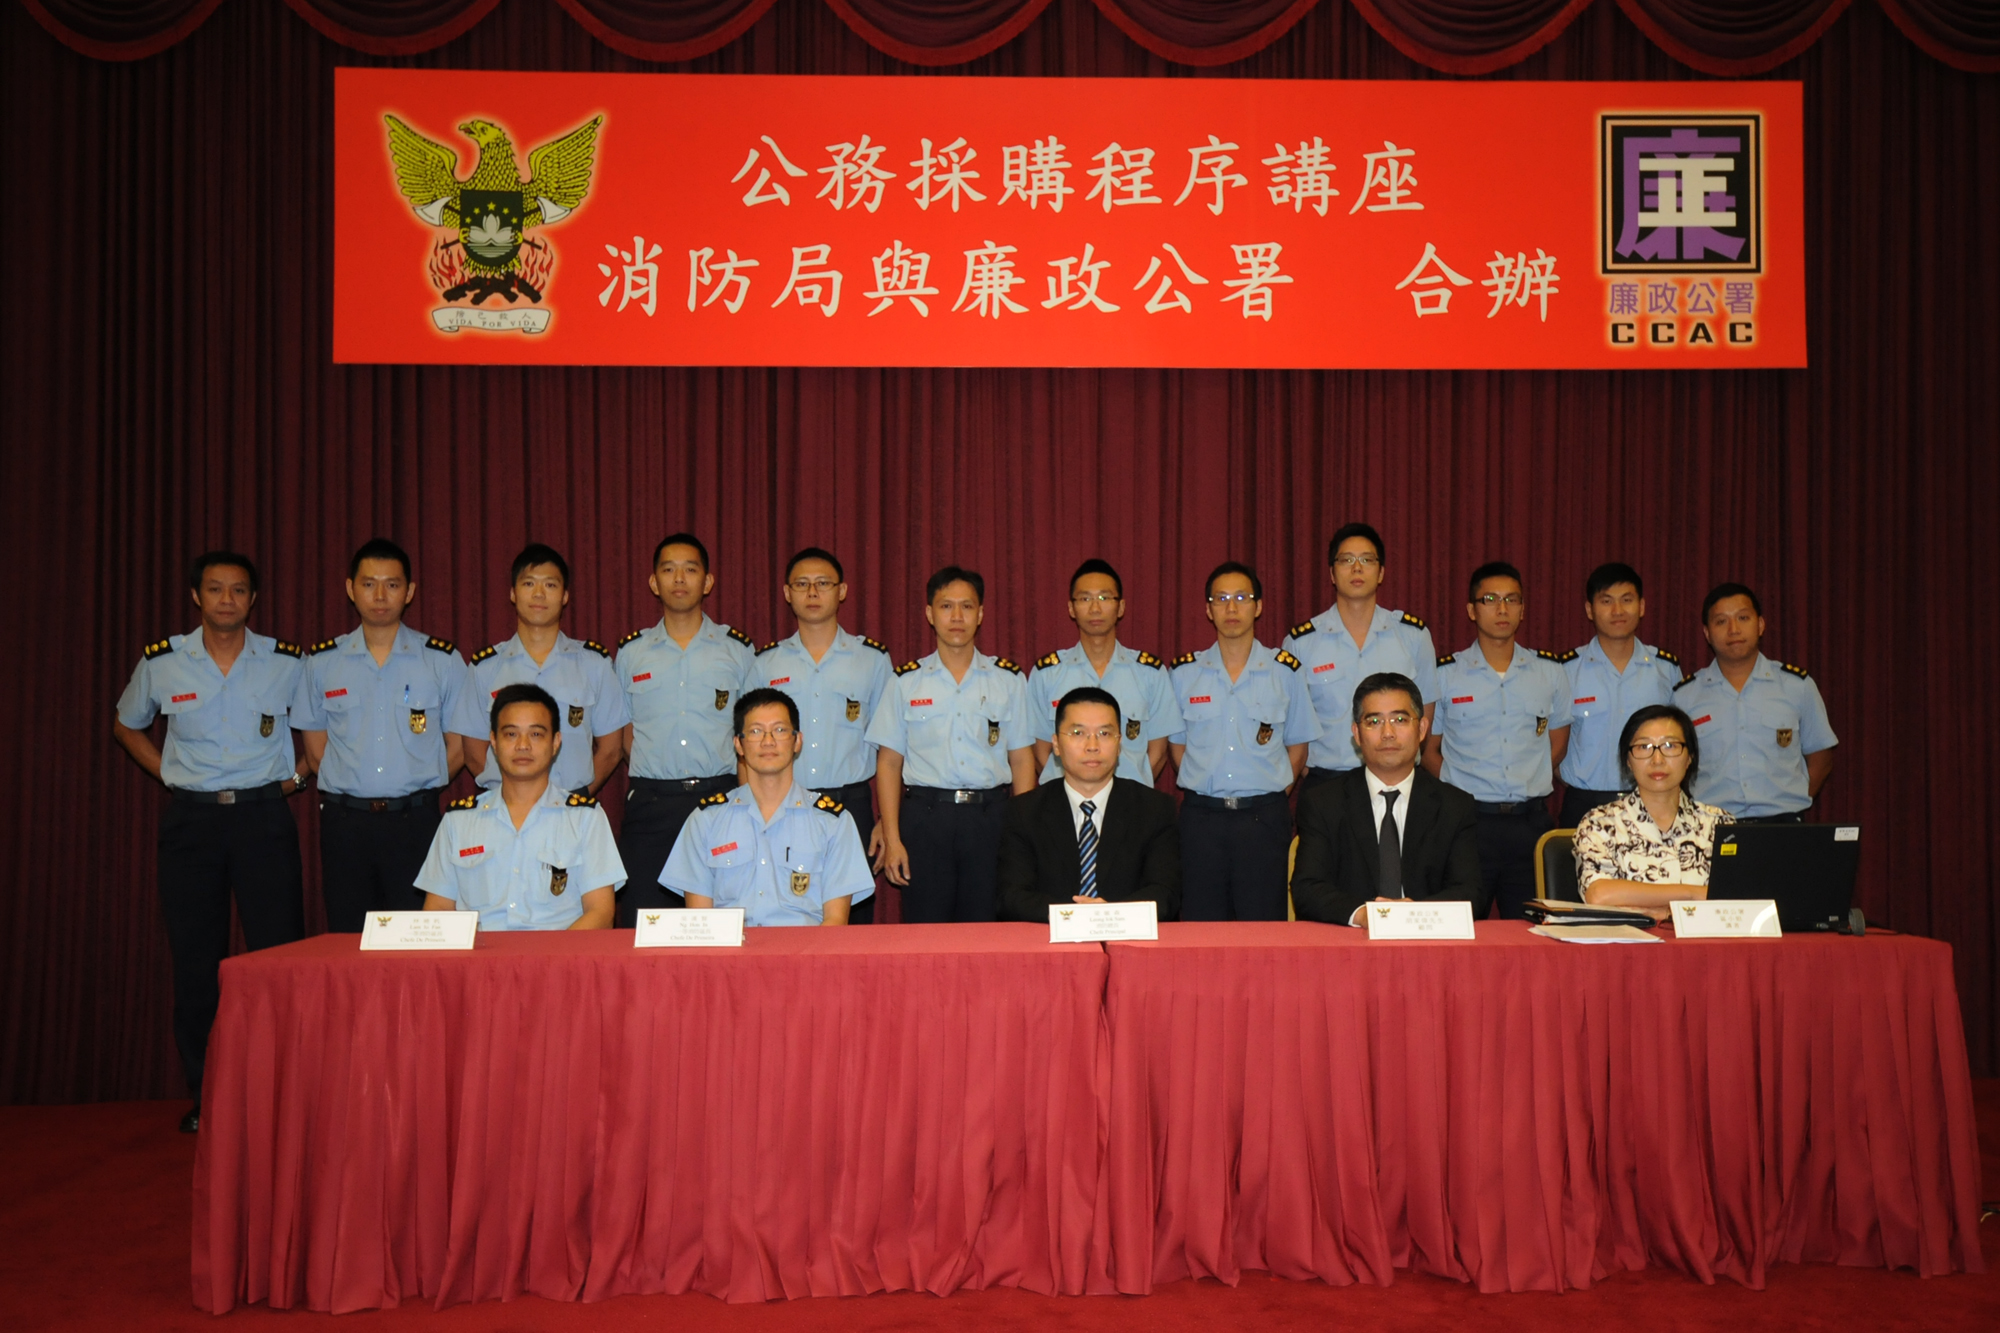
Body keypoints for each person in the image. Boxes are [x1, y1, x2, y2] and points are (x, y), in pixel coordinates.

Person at [112, 552, 309, 1133]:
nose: (227, 600)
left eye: (239, 590)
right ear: (197, 596)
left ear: (253, 599)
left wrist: (297, 780)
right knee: (197, 964)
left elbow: (323, 730)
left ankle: (284, 1094)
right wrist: (170, 775)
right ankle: (208, 1096)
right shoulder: (165, 662)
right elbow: (125, 724)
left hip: (263, 819)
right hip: (193, 824)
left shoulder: (286, 663)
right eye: (216, 589)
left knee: (278, 960)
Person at [292, 538, 469, 933]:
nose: (380, 595)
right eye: (369, 584)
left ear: (409, 591)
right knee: (348, 937)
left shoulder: (440, 661)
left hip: (416, 822)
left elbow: (458, 748)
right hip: (345, 824)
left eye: (392, 584)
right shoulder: (322, 663)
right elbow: (316, 753)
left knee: (418, 938)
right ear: (350, 588)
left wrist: (416, 784)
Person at [866, 566, 1036, 922]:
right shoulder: (906, 682)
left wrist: (1023, 837)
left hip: (990, 820)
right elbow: (889, 763)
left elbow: (1022, 761)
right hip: (925, 819)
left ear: (981, 614)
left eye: (967, 606)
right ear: (930, 613)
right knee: (925, 932)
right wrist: (893, 838)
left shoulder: (1008, 680)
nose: (957, 617)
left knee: (987, 929)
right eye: (946, 606)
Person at [612, 533, 757, 924]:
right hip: (650, 806)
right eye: (669, 570)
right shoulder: (631, 653)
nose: (679, 579)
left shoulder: (737, 650)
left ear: (707, 582)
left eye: (690, 570)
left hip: (719, 801)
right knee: (645, 925)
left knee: (720, 924)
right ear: (653, 582)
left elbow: (751, 735)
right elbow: (623, 734)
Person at [1167, 561, 1319, 920]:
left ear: (1258, 606)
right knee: (1201, 928)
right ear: (1208, 610)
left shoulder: (1285, 671)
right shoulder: (1184, 674)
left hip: (1263, 820)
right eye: (1220, 599)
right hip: (1201, 820)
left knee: (1262, 928)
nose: (1231, 608)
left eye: (1241, 597)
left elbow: (1298, 747)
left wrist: (1271, 793)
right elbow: (1177, 747)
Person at [1424, 562, 1573, 919]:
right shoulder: (1447, 675)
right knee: (1462, 926)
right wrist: (1459, 790)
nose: (1502, 609)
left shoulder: (1550, 672)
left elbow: (1557, 745)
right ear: (1471, 610)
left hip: (1529, 824)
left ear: (1523, 608)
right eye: (1490, 600)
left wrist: (1526, 779)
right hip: (1467, 823)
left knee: (1530, 930)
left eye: (1511, 599)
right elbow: (1428, 750)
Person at [752, 547, 893, 921]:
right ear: (787, 593)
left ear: (842, 591)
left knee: (853, 924)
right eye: (802, 584)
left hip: (852, 807)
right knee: (783, 916)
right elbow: (748, 747)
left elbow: (891, 749)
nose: (812, 592)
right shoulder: (766, 663)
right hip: (783, 806)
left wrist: (886, 821)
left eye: (823, 584)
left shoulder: (872, 660)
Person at [660, 688, 875, 925]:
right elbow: (700, 925)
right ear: (738, 745)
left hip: (804, 948)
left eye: (780, 730)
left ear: (797, 741)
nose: (768, 741)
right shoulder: (706, 821)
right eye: (755, 731)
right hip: (730, 949)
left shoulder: (833, 823)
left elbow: (835, 924)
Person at [417, 683, 622, 930]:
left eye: (536, 734)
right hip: (479, 953)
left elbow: (600, 913)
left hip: (558, 951)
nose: (523, 745)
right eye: (511, 734)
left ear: (556, 742)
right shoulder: (458, 821)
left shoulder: (586, 819)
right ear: (493, 741)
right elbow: (437, 911)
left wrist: (548, 955)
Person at [1291, 673, 1484, 926]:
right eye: (1374, 722)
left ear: (1422, 729)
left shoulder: (1454, 806)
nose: (1388, 733)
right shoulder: (1323, 803)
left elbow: (1470, 892)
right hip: (1352, 940)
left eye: (1400, 720)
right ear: (1357, 734)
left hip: (1427, 938)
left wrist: (1412, 916)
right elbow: (1307, 888)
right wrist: (1365, 915)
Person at [452, 543, 628, 801]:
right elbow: (473, 750)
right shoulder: (485, 669)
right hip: (505, 810)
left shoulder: (594, 664)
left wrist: (576, 798)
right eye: (529, 584)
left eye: (550, 585)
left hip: (572, 809)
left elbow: (611, 749)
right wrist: (514, 799)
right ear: (513, 593)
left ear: (564, 596)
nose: (539, 594)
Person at [996, 687, 1181, 921]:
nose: (1092, 745)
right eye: (1078, 733)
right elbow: (1012, 896)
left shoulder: (1155, 809)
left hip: (1127, 938)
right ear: (1056, 744)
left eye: (1104, 733)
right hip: (1050, 938)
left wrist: (1108, 917)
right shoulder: (1024, 812)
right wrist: (1077, 917)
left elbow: (1165, 894)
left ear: (1119, 743)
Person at [1284, 524, 1439, 791]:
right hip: (1327, 782)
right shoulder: (1301, 643)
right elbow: (1291, 726)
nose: (1357, 568)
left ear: (1381, 573)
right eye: (1347, 560)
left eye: (1367, 560)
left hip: (1397, 780)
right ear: (1332, 574)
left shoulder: (1413, 636)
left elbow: (1424, 713)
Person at [1673, 583, 1837, 822]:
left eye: (1743, 618)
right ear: (1707, 633)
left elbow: (1821, 756)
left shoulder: (1797, 686)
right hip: (1711, 826)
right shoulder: (1685, 696)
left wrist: (1792, 803)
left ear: (1760, 625)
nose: (1734, 629)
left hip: (1783, 824)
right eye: (1721, 621)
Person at [1027, 558, 1181, 786]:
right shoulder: (1046, 674)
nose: (1095, 608)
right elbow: (1040, 751)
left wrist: (1132, 794)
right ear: (1071, 608)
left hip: (1129, 800)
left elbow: (1158, 752)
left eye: (1104, 598)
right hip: (1065, 801)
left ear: (1121, 607)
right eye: (1085, 599)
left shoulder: (1150, 673)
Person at [1574, 704, 1733, 920]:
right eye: (1643, 747)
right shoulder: (1599, 824)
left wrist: (1661, 911)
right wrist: (1693, 894)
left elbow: (1739, 900)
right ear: (1628, 760)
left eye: (1670, 746)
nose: (1657, 760)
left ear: (1690, 757)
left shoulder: (1720, 824)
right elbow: (1599, 895)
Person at [1558, 562, 1682, 827]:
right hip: (1584, 804)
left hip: (1653, 802)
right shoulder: (1566, 671)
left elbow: (1680, 741)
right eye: (1606, 601)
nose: (1617, 611)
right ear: (1590, 610)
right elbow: (1551, 745)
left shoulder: (1665, 669)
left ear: (1642, 606)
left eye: (1627, 600)